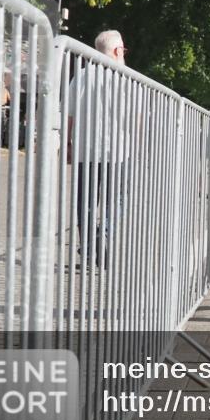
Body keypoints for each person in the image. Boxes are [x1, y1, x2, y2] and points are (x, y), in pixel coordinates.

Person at [68, 30, 130, 267]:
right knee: (119, 199)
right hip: (117, 150)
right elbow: (134, 118)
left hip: (85, 149)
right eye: (123, 50)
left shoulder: (81, 76)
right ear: (116, 51)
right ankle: (102, 231)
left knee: (85, 203)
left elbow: (70, 115)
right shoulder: (124, 77)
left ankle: (89, 253)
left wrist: (68, 143)